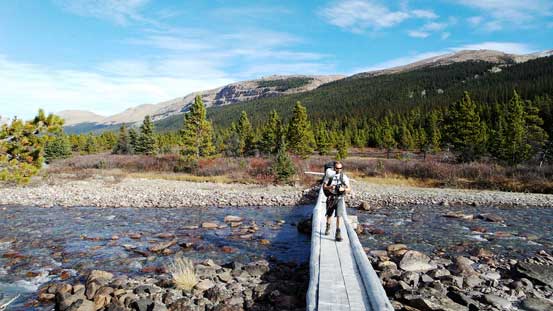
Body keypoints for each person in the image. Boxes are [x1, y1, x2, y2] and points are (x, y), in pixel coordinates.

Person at [322, 161, 351, 241]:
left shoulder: (344, 177)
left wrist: (343, 189)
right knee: (329, 214)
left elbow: (349, 189)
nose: (339, 169)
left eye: (340, 168)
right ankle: (327, 227)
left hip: (340, 198)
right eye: (337, 168)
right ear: (334, 168)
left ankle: (338, 233)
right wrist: (330, 187)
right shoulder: (329, 176)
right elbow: (324, 187)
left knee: (339, 216)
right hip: (331, 197)